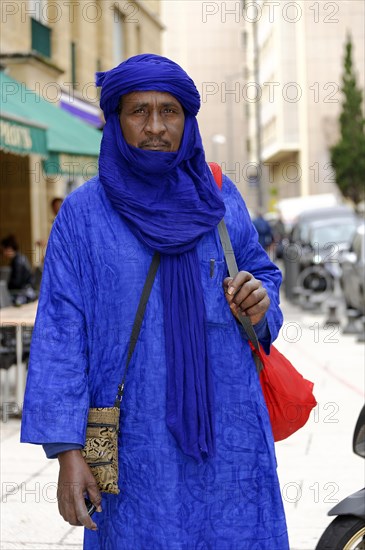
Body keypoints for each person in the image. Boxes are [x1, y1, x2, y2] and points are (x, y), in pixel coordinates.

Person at [21, 54, 289, 549]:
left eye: (170, 112)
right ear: (117, 121)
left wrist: (261, 299)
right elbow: (61, 333)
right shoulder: (83, 215)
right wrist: (67, 453)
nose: (155, 127)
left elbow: (264, 274)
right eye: (138, 111)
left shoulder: (220, 199)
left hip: (230, 437)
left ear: (188, 121)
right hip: (134, 447)